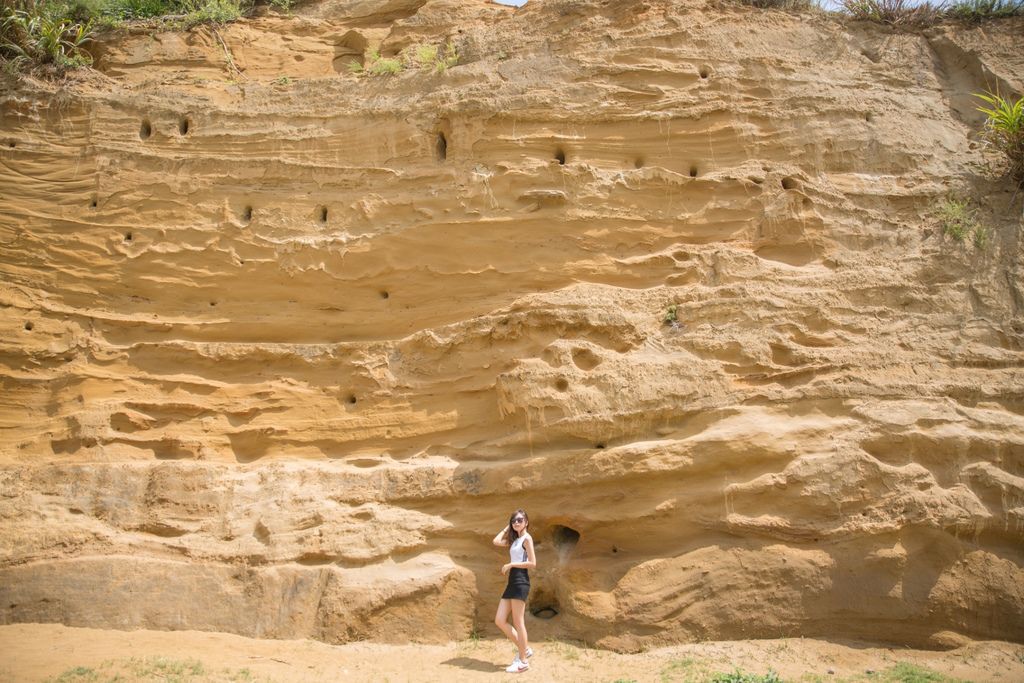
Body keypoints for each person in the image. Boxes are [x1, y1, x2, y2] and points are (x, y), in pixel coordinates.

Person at [492, 508, 536, 673]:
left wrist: (511, 565)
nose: (516, 522)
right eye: (514, 520)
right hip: (513, 581)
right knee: (500, 620)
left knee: (518, 622)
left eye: (520, 520)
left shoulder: (527, 539)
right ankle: (525, 649)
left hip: (520, 580)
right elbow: (496, 541)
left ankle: (523, 661)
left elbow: (532, 563)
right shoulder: (515, 539)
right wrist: (507, 527)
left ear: (526, 522)